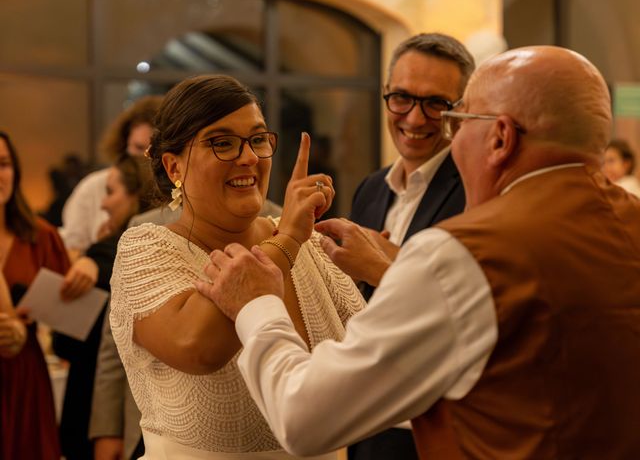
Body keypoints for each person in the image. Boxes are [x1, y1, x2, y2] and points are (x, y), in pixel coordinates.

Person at [197, 46, 640, 459]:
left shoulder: (465, 253)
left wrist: (258, 304)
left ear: (501, 138)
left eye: (459, 120)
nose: (448, 136)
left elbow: (303, 417)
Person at [109, 74, 365, 459]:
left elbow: (374, 358)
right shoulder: (146, 248)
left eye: (258, 140)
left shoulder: (311, 244)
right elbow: (195, 347)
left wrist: (389, 269)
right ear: (174, 167)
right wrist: (287, 242)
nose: (248, 157)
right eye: (222, 143)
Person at [347, 32, 472, 460]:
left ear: (463, 109)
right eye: (401, 98)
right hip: (364, 416)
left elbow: (465, 312)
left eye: (436, 103)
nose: (415, 119)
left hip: (434, 424)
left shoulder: (476, 191)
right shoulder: (369, 189)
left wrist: (378, 266)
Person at [89, 200, 283, 460]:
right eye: (223, 155)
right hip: (164, 422)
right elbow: (114, 338)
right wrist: (108, 428)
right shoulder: (147, 228)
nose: (246, 160)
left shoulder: (277, 222)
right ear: (174, 167)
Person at [54, 155, 155, 460]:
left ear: (136, 194)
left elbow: (65, 343)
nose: (103, 204)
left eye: (111, 192)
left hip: (97, 412)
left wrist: (91, 256)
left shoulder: (112, 251)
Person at [0, 131, 71, 460]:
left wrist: (90, 267)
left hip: (24, 376)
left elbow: (69, 317)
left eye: (3, 164)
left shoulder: (41, 237)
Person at [59, 95, 162, 259]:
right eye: (139, 147)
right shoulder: (93, 186)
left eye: (154, 150)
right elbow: (71, 248)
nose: (145, 158)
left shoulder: (174, 196)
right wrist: (94, 257)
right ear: (124, 144)